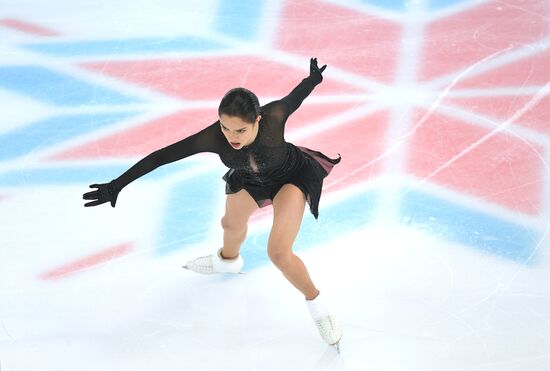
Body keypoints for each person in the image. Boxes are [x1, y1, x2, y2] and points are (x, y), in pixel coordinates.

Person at [83, 58, 343, 348]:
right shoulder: (214, 137)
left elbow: (295, 97)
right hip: (250, 180)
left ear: (258, 120)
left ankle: (318, 307)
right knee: (229, 224)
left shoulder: (275, 115)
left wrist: (313, 80)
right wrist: (117, 184)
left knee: (279, 253)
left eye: (240, 131)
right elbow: (160, 156)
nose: (231, 137)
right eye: (225, 128)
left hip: (291, 177)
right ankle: (227, 262)